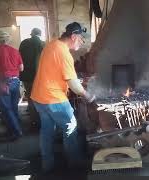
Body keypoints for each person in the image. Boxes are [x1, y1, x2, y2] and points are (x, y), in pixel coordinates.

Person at [31, 22, 95, 172]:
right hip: (53, 99)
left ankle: (47, 165)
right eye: (81, 39)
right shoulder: (64, 53)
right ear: (73, 37)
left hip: (39, 97)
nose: (81, 42)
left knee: (47, 130)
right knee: (70, 128)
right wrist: (87, 95)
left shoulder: (52, 44)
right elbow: (73, 83)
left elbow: (56, 72)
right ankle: (75, 164)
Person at [0, 30, 24, 138]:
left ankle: (16, 132)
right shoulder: (15, 51)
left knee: (5, 108)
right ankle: (16, 128)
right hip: (16, 81)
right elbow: (21, 68)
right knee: (14, 107)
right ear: (7, 39)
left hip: (4, 82)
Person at [19, 28, 45, 111]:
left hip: (26, 75)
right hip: (40, 75)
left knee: (30, 95)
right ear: (40, 35)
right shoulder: (43, 44)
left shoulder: (24, 43)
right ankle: (40, 115)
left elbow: (19, 58)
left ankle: (33, 116)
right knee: (41, 95)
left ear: (32, 34)